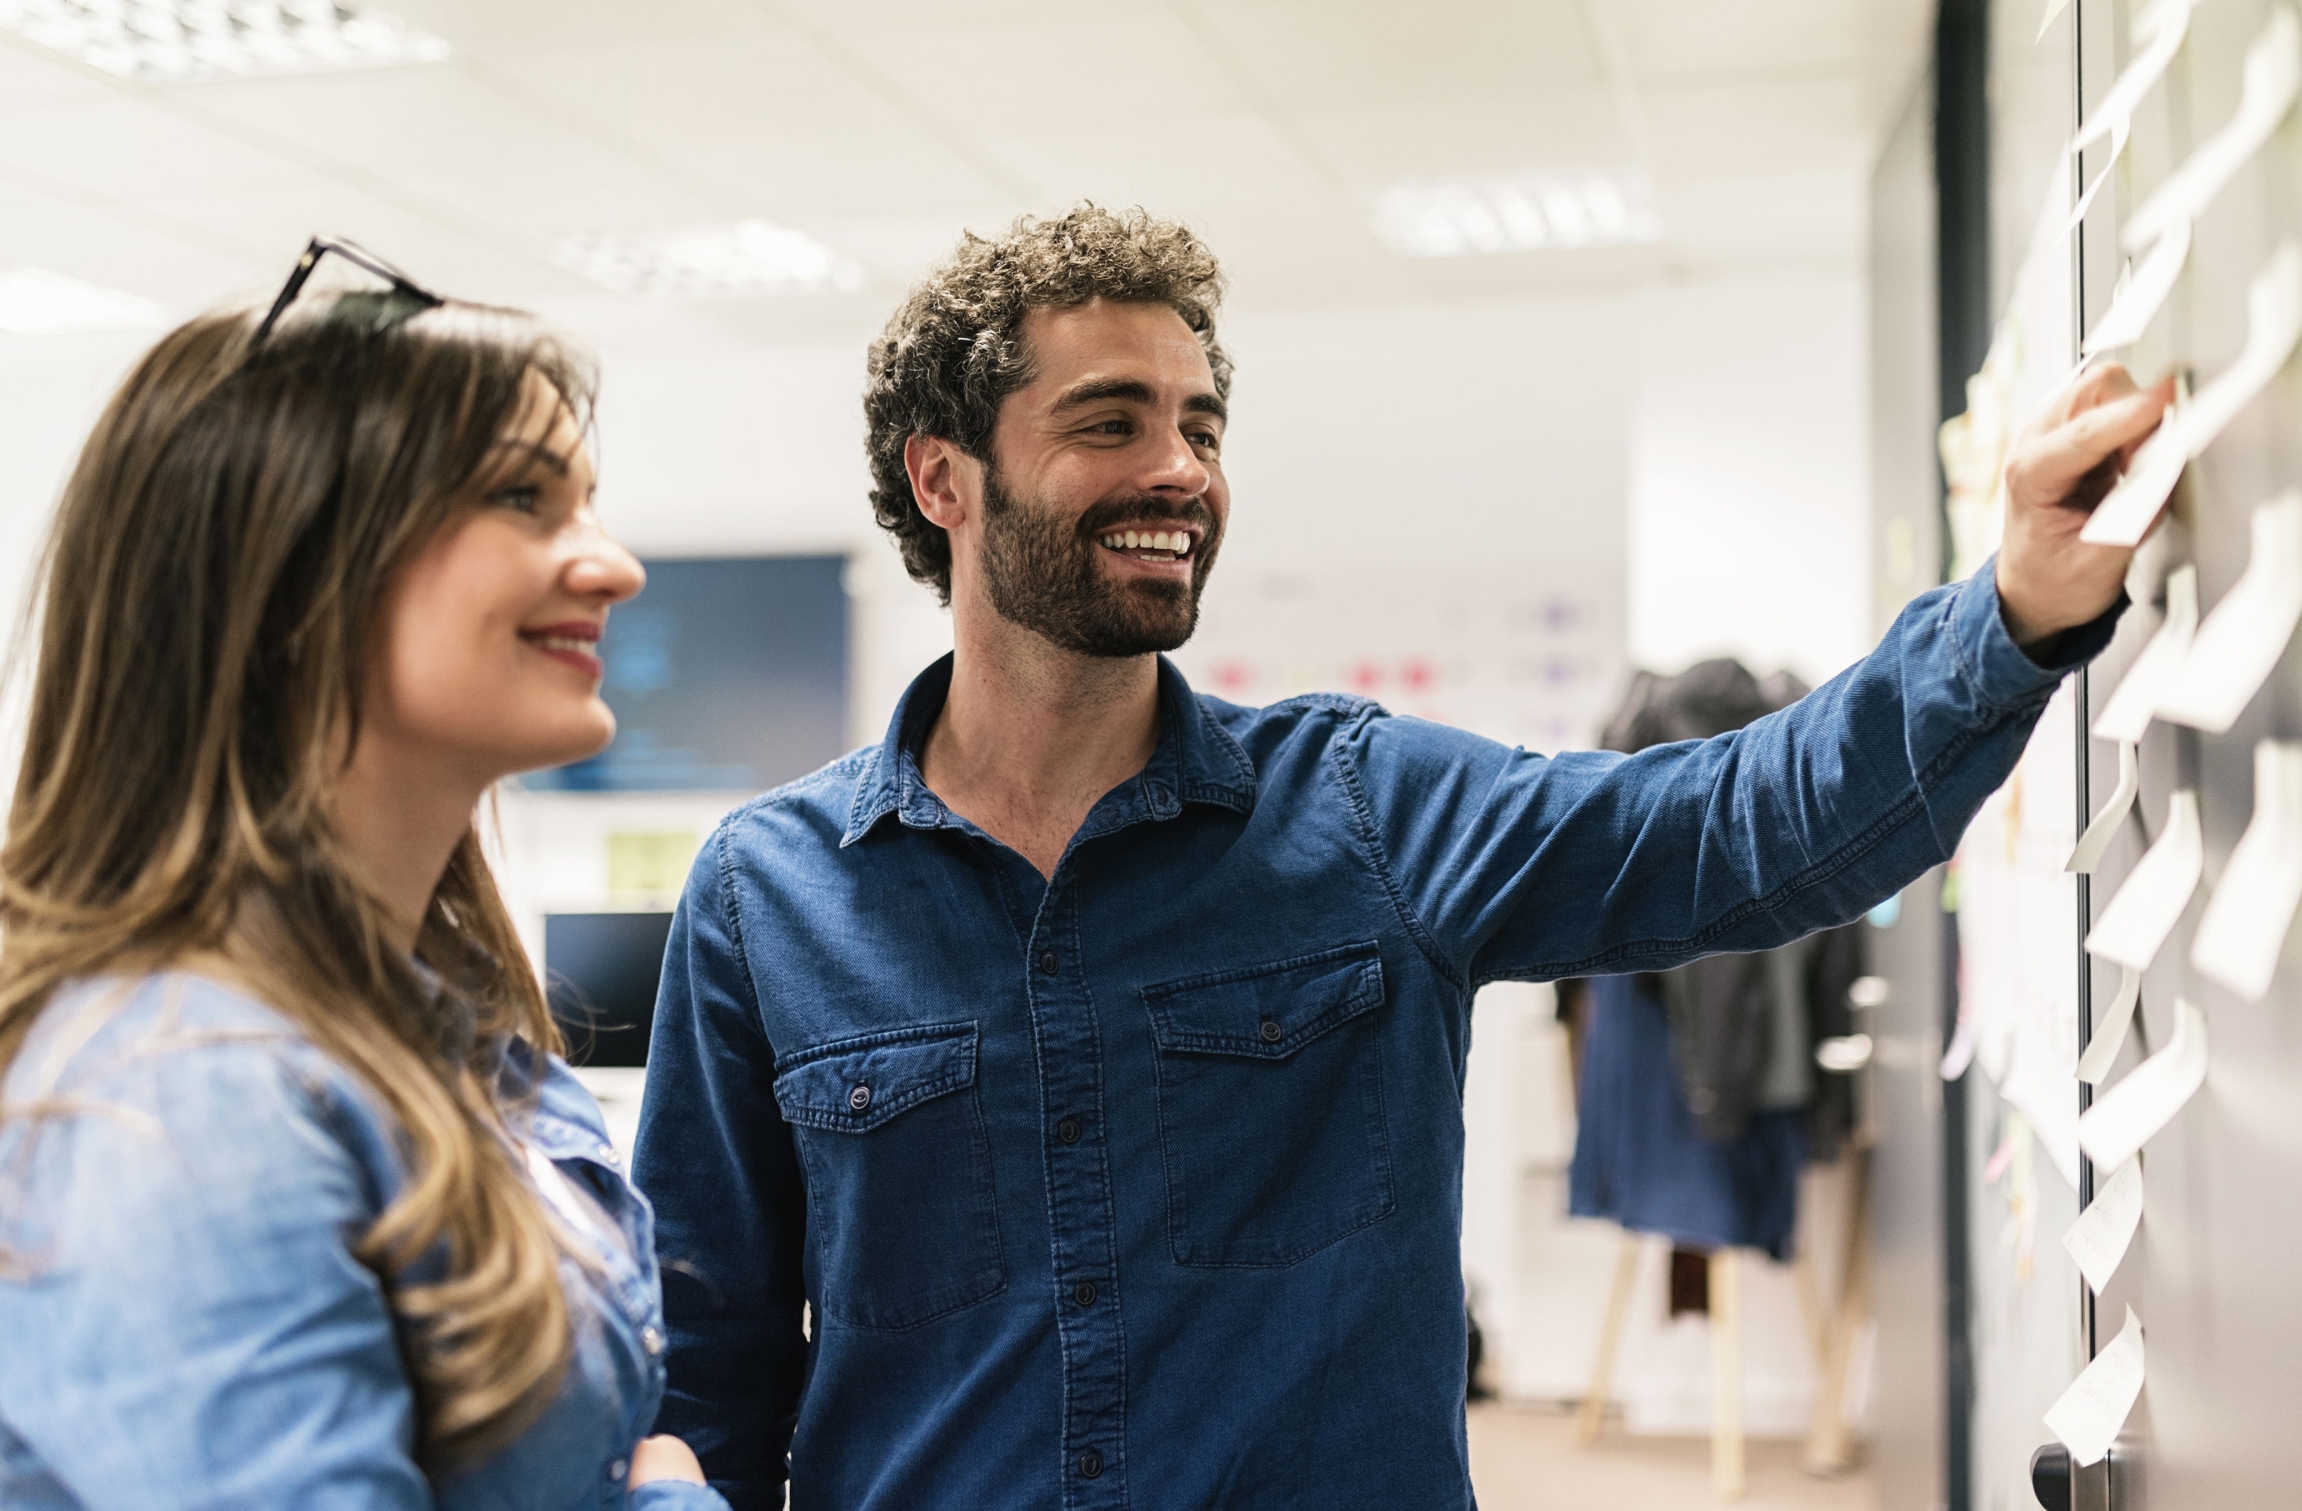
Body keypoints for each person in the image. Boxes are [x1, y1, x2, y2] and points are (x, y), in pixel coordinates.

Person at [635, 205, 2173, 1510]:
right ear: (943, 479)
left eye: (1202, 425)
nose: (1180, 467)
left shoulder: (1362, 809)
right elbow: (709, 1365)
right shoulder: (768, 896)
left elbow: (1730, 832)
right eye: (1110, 420)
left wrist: (2016, 615)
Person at [0, 241, 726, 1510]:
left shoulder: (432, 1024)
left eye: (587, 503)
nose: (612, 565)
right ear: (286, 571)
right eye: (522, 499)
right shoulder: (185, 1092)